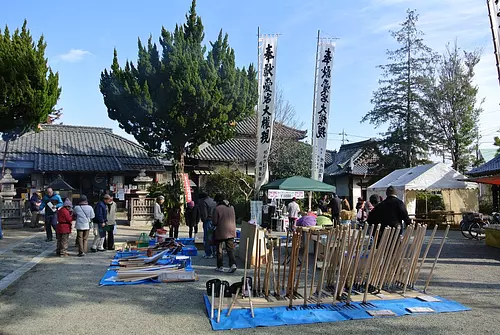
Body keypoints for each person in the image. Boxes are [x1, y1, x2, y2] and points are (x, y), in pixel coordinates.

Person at [212, 194, 237, 272]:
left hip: (221, 231)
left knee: (219, 249)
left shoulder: (217, 209)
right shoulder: (231, 207)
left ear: (217, 201)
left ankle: (220, 266)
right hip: (231, 231)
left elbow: (215, 222)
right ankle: (233, 264)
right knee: (230, 249)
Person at [197, 192, 217, 259]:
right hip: (214, 220)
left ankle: (208, 253)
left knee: (207, 238)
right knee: (213, 237)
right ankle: (215, 252)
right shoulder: (213, 201)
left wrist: (203, 220)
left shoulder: (203, 202)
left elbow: (204, 214)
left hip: (208, 221)